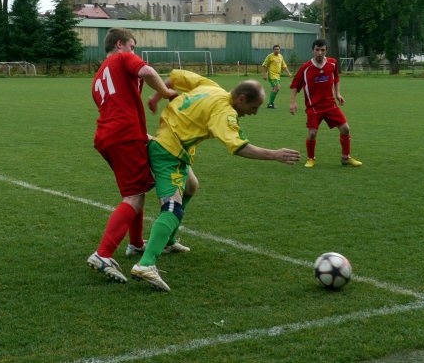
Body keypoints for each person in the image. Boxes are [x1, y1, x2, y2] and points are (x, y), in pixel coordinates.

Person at [131, 70, 300, 292]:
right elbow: (239, 147)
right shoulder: (224, 112)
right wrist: (275, 154)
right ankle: (146, 264)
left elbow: (175, 77)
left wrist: (156, 97)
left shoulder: (211, 86)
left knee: (191, 186)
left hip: (174, 145)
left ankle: (168, 242)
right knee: (172, 209)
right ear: (241, 99)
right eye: (254, 107)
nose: (255, 113)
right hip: (168, 153)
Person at [87, 28, 178, 284]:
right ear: (120, 44)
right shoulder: (122, 57)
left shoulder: (98, 76)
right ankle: (103, 254)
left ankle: (136, 243)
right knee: (134, 198)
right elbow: (147, 71)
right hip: (125, 135)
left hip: (107, 137)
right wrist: (167, 93)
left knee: (135, 190)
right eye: (132, 46)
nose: (134, 51)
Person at [289, 38, 362, 168]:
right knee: (312, 133)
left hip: (330, 105)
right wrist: (293, 102)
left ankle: (346, 158)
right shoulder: (305, 68)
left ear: (326, 51)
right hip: (314, 107)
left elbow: (336, 78)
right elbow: (295, 85)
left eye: (322, 50)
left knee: (345, 128)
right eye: (317, 50)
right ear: (312, 51)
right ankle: (311, 158)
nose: (320, 53)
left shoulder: (332, 63)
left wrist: (338, 94)